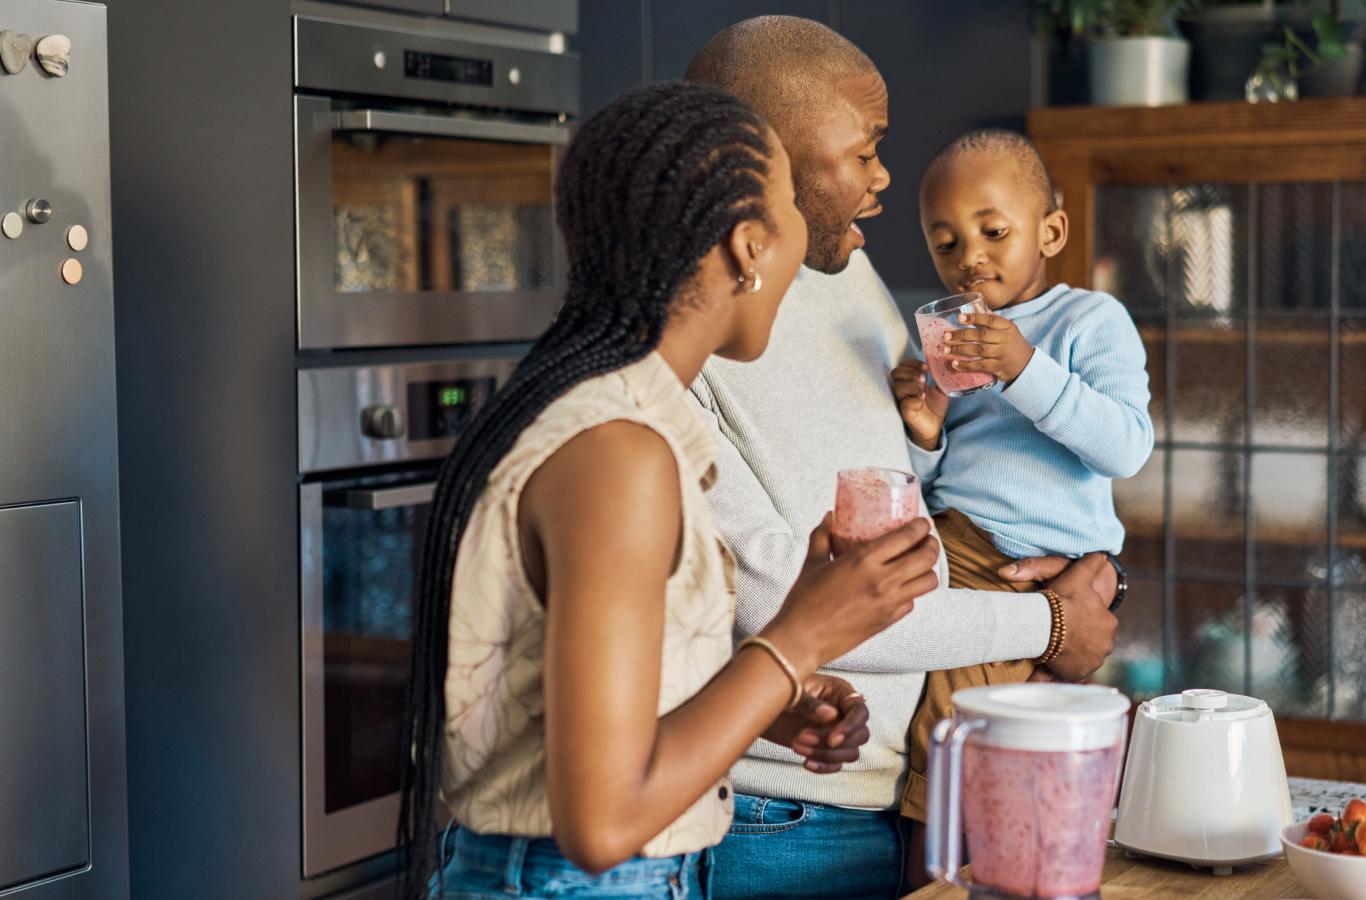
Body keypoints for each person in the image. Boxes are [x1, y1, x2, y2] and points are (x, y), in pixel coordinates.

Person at [394, 82, 943, 900]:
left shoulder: (602, 420)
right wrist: (797, 640)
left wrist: (766, 698)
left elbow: (583, 730)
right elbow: (604, 823)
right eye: (791, 204)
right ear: (747, 247)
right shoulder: (619, 457)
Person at [684, 18, 1121, 899]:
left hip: (899, 788)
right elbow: (774, 595)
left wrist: (1082, 562)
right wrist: (1050, 624)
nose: (885, 176)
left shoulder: (846, 273)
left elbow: (920, 494)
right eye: (864, 153)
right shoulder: (694, 332)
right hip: (784, 816)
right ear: (764, 158)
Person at [893, 128, 1154, 886]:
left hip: (1043, 568)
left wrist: (1024, 368)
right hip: (962, 551)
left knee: (963, 738)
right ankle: (959, 873)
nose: (970, 256)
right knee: (959, 736)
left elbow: (1126, 446)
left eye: (993, 231)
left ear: (1051, 231)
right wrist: (927, 432)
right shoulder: (952, 340)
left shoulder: (1089, 323)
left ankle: (937, 881)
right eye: (946, 244)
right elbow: (937, 479)